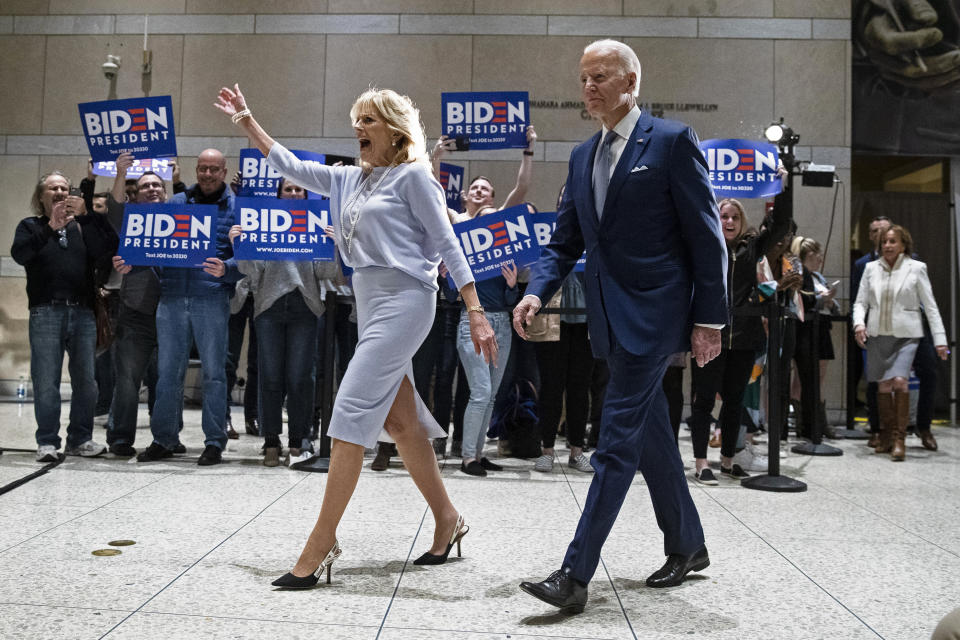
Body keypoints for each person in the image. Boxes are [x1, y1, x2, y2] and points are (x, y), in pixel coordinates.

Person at [216, 83, 497, 587]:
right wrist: (246, 120)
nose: (358, 129)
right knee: (402, 422)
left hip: (408, 300)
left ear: (394, 130)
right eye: (357, 120)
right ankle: (449, 519)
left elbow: (448, 245)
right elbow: (289, 166)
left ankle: (321, 543)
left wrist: (475, 308)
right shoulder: (350, 179)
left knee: (348, 413)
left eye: (368, 121)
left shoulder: (415, 177)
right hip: (369, 304)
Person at [513, 40, 727, 613]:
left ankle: (575, 574)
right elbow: (564, 242)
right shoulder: (583, 156)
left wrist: (709, 319)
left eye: (600, 77)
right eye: (583, 79)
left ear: (629, 82)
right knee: (651, 432)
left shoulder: (673, 142)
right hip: (609, 317)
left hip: (657, 314)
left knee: (613, 444)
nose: (588, 88)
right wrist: (536, 292)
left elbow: (707, 240)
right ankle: (689, 544)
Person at [117, 148, 242, 466]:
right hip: (171, 298)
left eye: (215, 169)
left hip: (211, 298)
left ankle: (214, 441)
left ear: (224, 172)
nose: (208, 174)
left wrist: (227, 267)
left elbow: (250, 257)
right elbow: (152, 244)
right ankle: (164, 439)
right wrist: (130, 261)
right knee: (167, 374)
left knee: (214, 374)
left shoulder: (238, 208)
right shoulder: (175, 204)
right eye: (203, 168)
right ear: (196, 170)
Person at [230, 177, 337, 466]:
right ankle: (271, 440)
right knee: (270, 376)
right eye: (287, 189)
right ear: (278, 195)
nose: (293, 193)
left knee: (301, 376)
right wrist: (240, 245)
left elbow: (326, 272)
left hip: (305, 306)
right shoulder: (263, 222)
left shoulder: (316, 223)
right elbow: (249, 270)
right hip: (269, 306)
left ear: (305, 195)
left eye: (297, 189)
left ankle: (299, 440)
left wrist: (331, 244)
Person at [11, 171, 117, 461]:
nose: (59, 192)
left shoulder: (82, 227)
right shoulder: (30, 226)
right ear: (41, 196)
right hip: (46, 311)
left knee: (87, 380)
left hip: (83, 312)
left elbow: (102, 252)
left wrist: (83, 218)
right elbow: (20, 255)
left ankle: (80, 439)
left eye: (63, 187)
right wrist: (50, 228)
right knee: (46, 380)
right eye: (52, 188)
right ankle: (47, 441)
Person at [688, 195, 790, 485]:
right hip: (709, 334)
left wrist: (781, 188)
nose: (729, 221)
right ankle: (700, 462)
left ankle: (728, 461)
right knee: (703, 401)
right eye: (724, 216)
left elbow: (781, 226)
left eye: (734, 216)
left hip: (744, 336)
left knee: (735, 402)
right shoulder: (705, 243)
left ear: (742, 220)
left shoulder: (752, 247)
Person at [853, 224, 948, 461]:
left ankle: (899, 439)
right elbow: (860, 302)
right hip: (877, 335)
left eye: (893, 241)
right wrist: (859, 324)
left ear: (904, 245)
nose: (887, 245)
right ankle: (885, 434)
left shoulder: (916, 268)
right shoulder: (871, 268)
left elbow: (932, 306)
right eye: (884, 241)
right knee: (883, 386)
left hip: (907, 335)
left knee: (899, 382)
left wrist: (940, 340)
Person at [103, 155, 166, 457]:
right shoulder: (130, 219)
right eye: (145, 186)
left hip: (171, 312)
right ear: (136, 195)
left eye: (157, 185)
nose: (152, 189)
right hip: (135, 310)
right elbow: (114, 207)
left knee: (165, 380)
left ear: (165, 192)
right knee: (128, 380)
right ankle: (119, 437)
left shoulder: (181, 220)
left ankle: (165, 438)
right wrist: (121, 172)